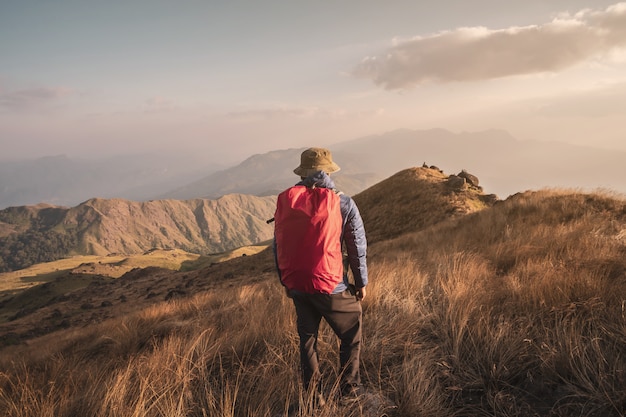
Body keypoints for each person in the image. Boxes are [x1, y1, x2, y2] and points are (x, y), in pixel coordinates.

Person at [273, 147, 368, 403]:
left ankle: (314, 397)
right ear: (328, 171)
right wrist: (361, 283)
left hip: (299, 286)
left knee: (307, 339)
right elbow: (356, 246)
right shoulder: (343, 202)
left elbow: (279, 244)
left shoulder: (289, 203)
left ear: (302, 173)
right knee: (351, 331)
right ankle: (349, 390)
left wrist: (286, 280)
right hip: (331, 285)